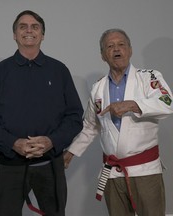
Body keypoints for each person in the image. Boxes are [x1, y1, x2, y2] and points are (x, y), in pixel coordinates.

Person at [0, 10, 84, 216]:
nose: (29, 30)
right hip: (11, 166)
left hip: (50, 165)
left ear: (42, 35)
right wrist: (12, 143)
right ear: (14, 35)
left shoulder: (59, 70)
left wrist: (51, 141)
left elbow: (74, 116)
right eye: (23, 27)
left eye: (35, 27)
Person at [64, 28, 173, 216]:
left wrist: (132, 105)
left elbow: (168, 103)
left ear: (130, 50)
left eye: (121, 44)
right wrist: (71, 152)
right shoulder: (98, 88)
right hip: (112, 172)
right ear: (102, 55)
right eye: (110, 46)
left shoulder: (148, 77)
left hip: (145, 170)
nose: (117, 49)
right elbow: (90, 126)